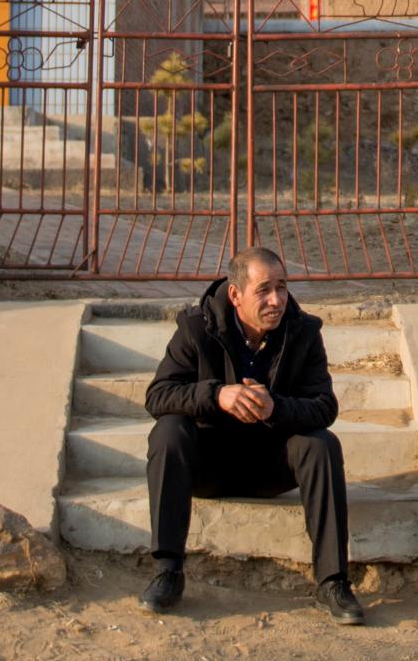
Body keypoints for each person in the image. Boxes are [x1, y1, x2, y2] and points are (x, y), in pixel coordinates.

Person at [141, 247, 364, 624]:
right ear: (235, 295)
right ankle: (168, 571)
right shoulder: (197, 327)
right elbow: (158, 395)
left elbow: (324, 406)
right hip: (208, 465)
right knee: (168, 430)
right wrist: (217, 395)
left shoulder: (304, 331)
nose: (276, 300)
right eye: (263, 290)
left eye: (282, 287)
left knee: (322, 444)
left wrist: (276, 407)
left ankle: (332, 581)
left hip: (270, 465)